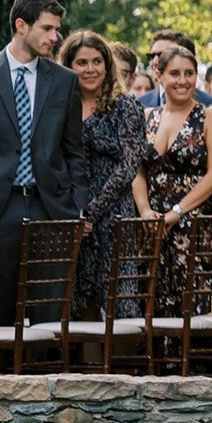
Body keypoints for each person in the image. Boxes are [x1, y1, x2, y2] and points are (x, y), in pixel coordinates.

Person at [0, 0, 90, 328]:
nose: (54, 37)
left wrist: (76, 204)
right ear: (21, 25)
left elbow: (74, 150)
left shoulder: (64, 80)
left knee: (49, 316)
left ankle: (47, 379)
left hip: (51, 207)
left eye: (56, 29)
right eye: (47, 28)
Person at [60, 30, 146, 318]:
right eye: (81, 62)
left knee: (118, 302)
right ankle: (81, 365)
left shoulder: (126, 105)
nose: (90, 69)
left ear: (107, 65)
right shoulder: (59, 106)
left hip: (114, 215)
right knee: (76, 302)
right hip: (70, 213)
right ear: (68, 66)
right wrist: (75, 213)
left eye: (97, 61)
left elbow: (129, 165)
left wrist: (91, 213)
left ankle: (118, 365)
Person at [141, 46, 212, 316]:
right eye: (175, 73)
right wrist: (145, 210)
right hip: (153, 223)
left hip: (195, 222)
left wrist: (177, 213)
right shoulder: (147, 117)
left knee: (193, 303)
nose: (183, 80)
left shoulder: (210, 116)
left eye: (189, 73)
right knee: (154, 300)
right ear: (160, 76)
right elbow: (137, 169)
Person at [137, 30, 212, 108]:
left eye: (163, 55)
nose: (154, 62)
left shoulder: (211, 105)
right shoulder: (140, 104)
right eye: (152, 56)